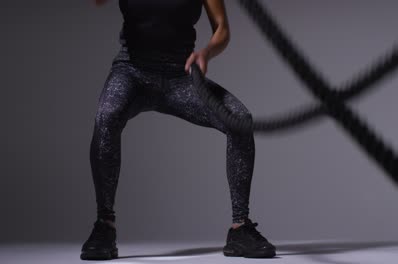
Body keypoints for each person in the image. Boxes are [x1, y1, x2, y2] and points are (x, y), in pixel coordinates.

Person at [80, 0, 276, 260]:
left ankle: (240, 228)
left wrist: (206, 53)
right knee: (106, 117)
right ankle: (105, 225)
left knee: (239, 119)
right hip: (132, 72)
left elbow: (222, 30)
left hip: (181, 76)